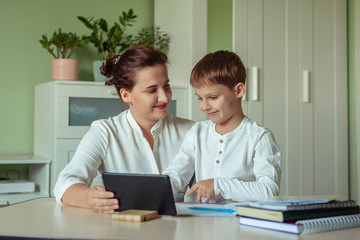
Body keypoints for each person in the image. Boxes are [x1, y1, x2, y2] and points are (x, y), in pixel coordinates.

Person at [53, 45, 194, 213]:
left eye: (166, 86)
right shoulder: (104, 132)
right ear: (126, 95)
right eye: (152, 90)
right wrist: (88, 198)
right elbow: (64, 184)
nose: (164, 97)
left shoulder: (191, 131)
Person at [163, 50, 282, 203]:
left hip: (239, 223)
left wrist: (218, 185)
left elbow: (269, 191)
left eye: (213, 97)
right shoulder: (197, 133)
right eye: (200, 98)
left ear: (238, 90)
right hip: (198, 222)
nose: (204, 106)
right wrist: (153, 190)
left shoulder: (259, 137)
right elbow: (176, 174)